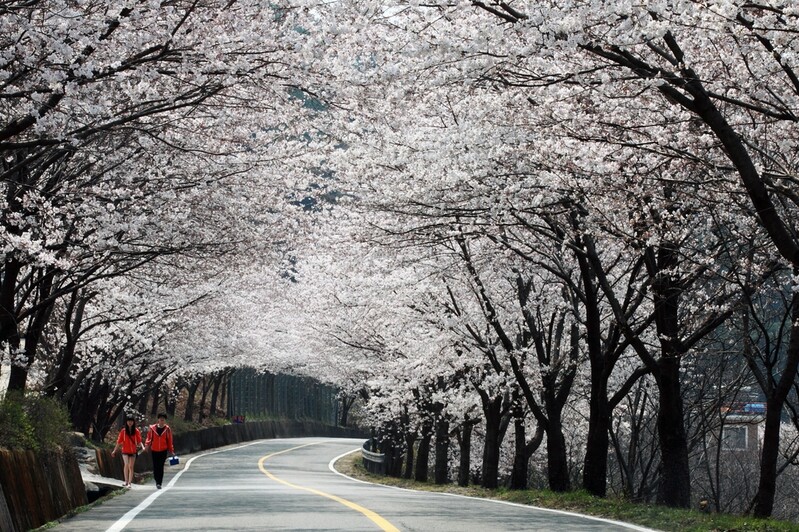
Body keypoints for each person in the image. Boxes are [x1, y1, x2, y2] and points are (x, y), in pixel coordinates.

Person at [111, 415, 145, 488]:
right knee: (126, 464)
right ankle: (126, 481)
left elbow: (139, 441)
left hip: (133, 451)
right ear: (126, 422)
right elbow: (119, 442)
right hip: (125, 451)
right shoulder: (123, 431)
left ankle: (129, 482)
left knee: (131, 466)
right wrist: (114, 451)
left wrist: (143, 447)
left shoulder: (136, 431)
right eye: (128, 421)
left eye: (131, 421)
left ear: (133, 422)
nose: (130, 422)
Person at [144, 412, 176, 489]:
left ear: (165, 420)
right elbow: (149, 438)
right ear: (158, 419)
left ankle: (159, 482)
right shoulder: (152, 429)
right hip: (154, 450)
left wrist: (171, 450)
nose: (162, 420)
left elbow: (169, 440)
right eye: (160, 419)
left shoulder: (167, 429)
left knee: (160, 466)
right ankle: (156, 479)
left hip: (163, 450)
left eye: (163, 419)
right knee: (155, 466)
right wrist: (146, 446)